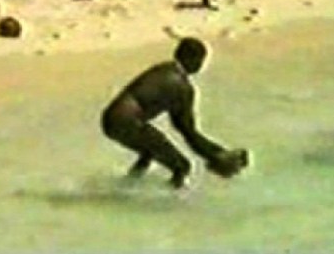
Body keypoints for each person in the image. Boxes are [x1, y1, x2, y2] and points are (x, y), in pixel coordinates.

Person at [101, 37, 249, 189]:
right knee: (182, 166)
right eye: (201, 60)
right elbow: (188, 132)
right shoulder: (182, 87)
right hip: (129, 123)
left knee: (149, 151)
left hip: (109, 120)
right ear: (193, 60)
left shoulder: (163, 69)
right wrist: (217, 155)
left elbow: (183, 129)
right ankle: (169, 197)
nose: (202, 65)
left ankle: (127, 186)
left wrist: (216, 153)